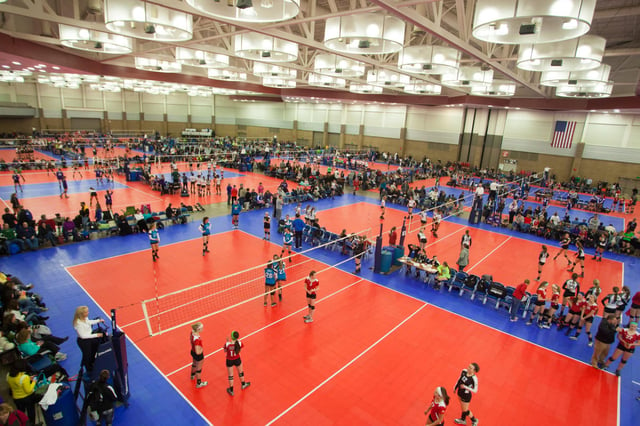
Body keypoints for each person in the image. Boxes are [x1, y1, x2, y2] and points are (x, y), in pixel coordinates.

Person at [73, 305, 105, 372]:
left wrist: (98, 321)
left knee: (94, 351)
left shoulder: (85, 318)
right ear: (82, 314)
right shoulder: (78, 324)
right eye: (86, 312)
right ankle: (89, 369)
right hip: (84, 341)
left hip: (90, 338)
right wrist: (96, 335)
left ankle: (93, 363)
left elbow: (89, 322)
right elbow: (83, 336)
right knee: (87, 356)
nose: (88, 313)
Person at [223, 330, 250, 396]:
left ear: (231, 337)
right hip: (237, 359)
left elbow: (225, 351)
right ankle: (243, 384)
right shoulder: (239, 343)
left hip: (229, 360)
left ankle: (231, 390)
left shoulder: (227, 344)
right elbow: (239, 350)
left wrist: (227, 342)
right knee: (240, 372)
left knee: (230, 375)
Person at [189, 322, 208, 388]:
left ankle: (192, 375)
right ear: (198, 329)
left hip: (192, 351)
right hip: (198, 355)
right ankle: (199, 383)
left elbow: (190, 340)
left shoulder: (192, 332)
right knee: (198, 369)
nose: (202, 329)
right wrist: (201, 350)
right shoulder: (197, 339)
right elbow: (197, 351)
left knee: (194, 364)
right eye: (201, 328)